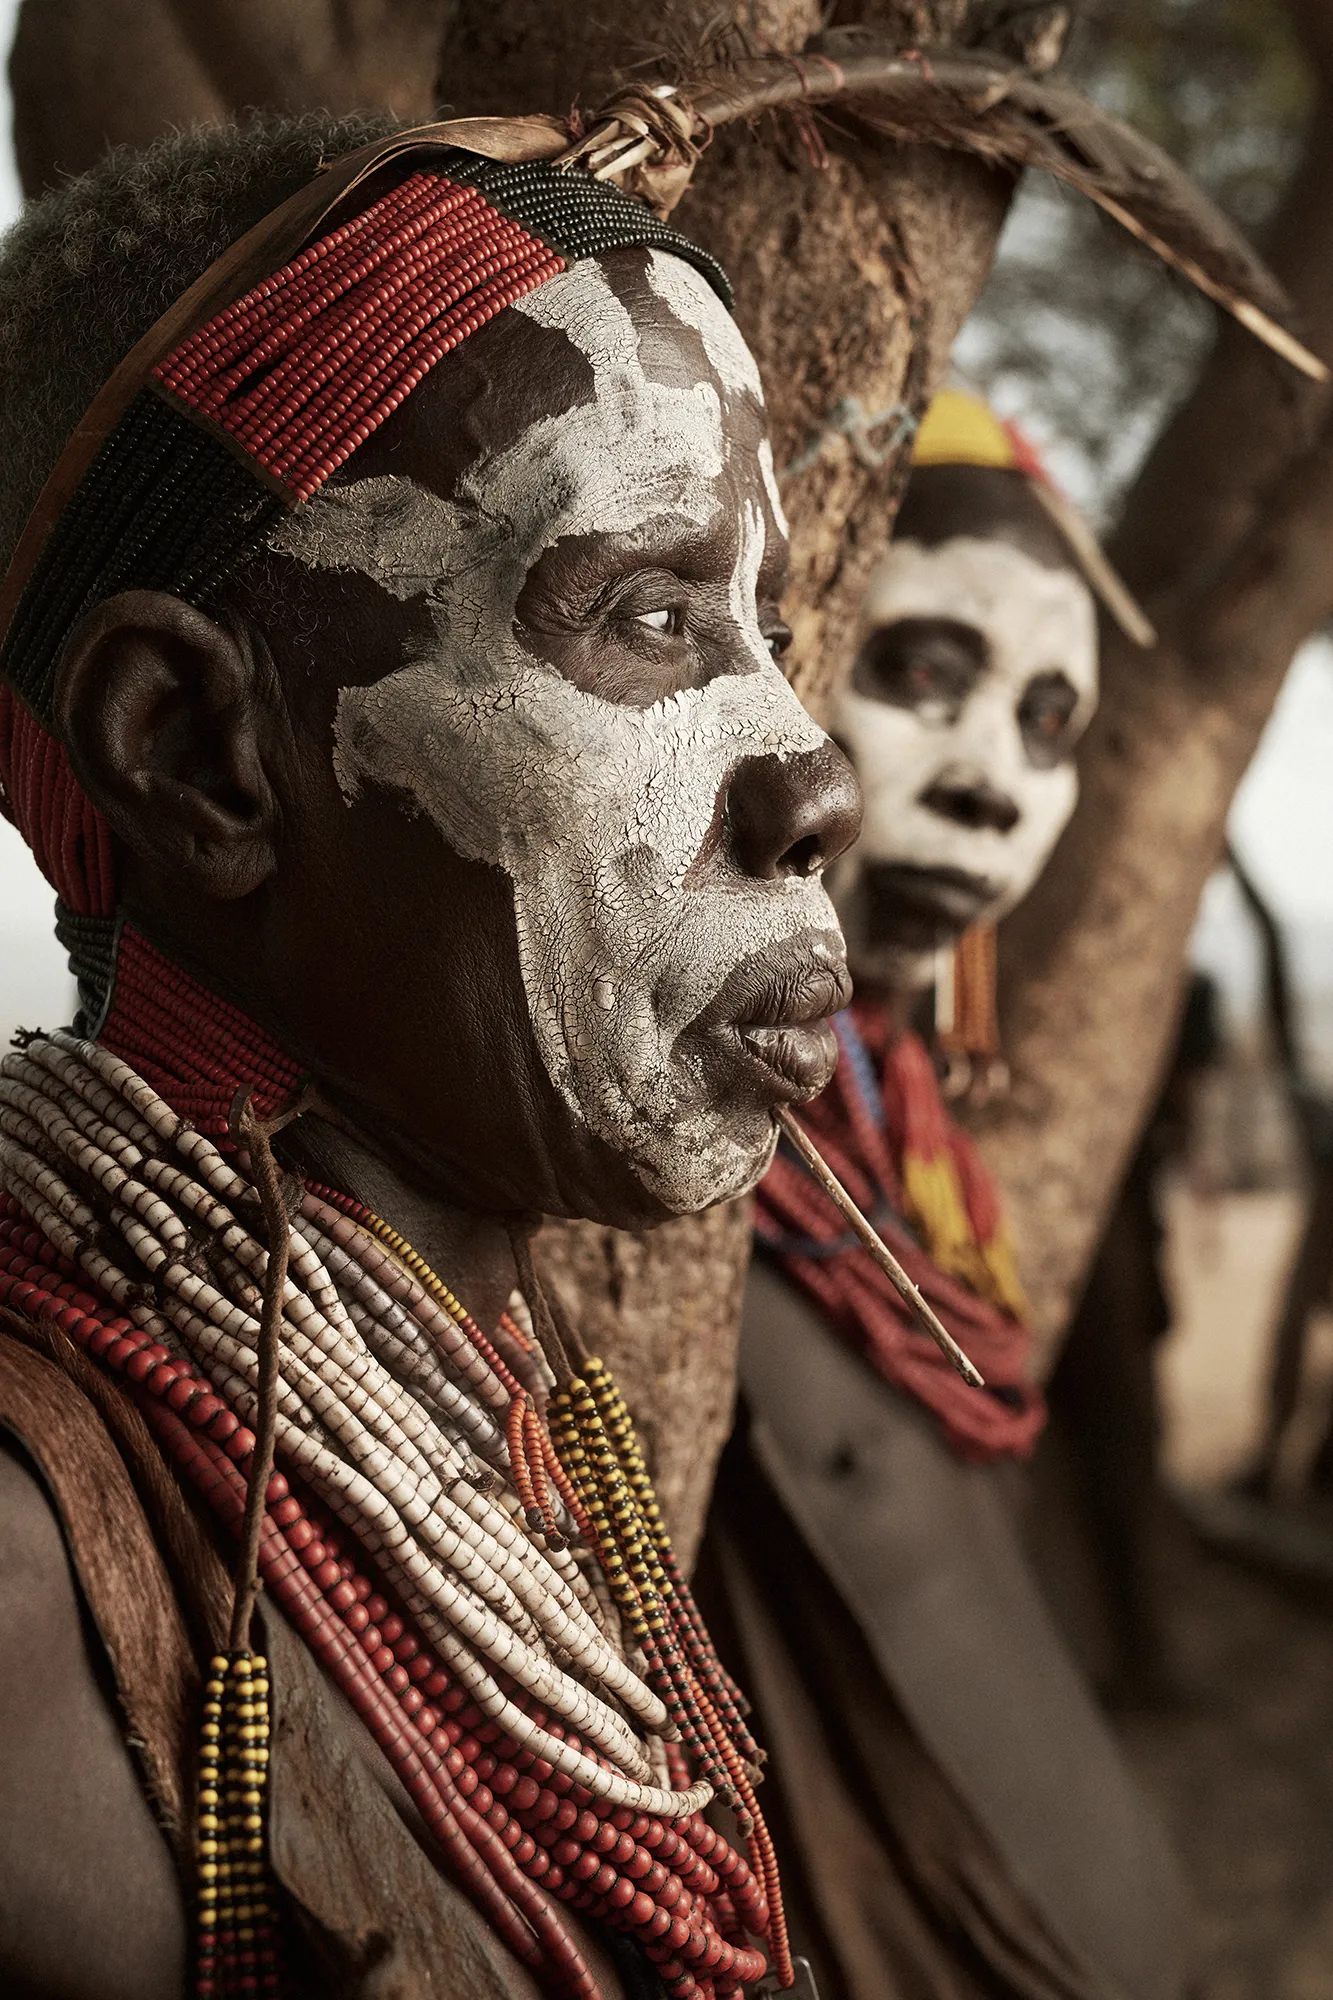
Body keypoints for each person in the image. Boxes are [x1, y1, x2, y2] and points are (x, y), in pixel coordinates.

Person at [0, 110, 863, 2000]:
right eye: (649, 614)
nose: (815, 776)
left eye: (766, 627)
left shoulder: (526, 1432)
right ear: (201, 753)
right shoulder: (23, 1577)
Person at [700, 391, 1189, 2000]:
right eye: (922, 674)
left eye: (1051, 723)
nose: (994, 785)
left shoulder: (908, 1145)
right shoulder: (650, 1162)